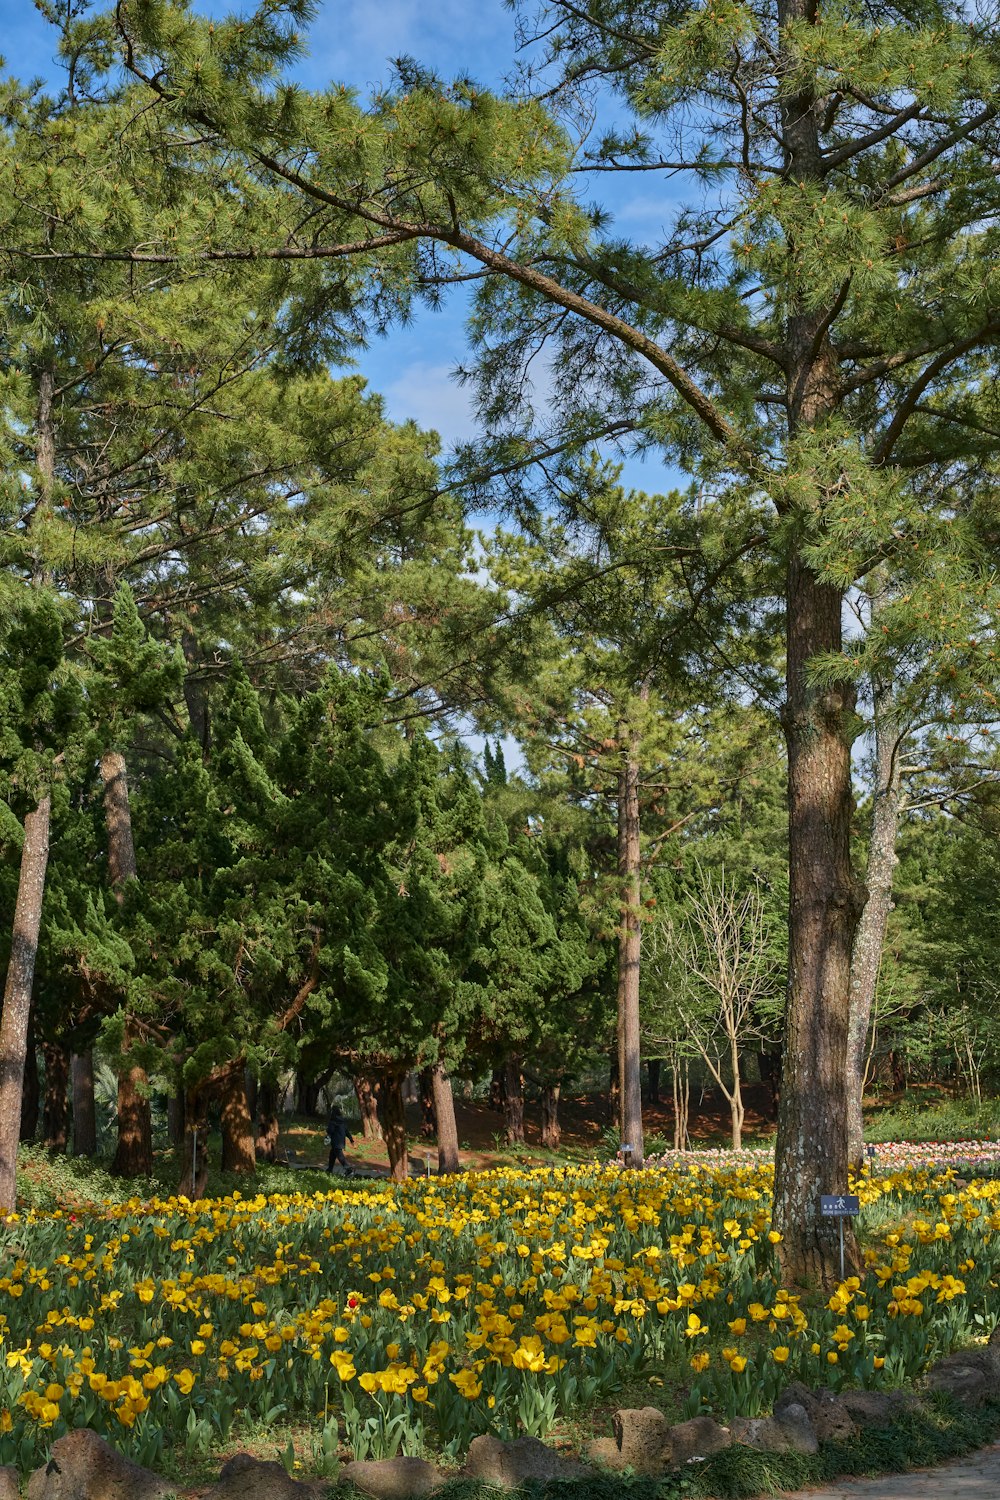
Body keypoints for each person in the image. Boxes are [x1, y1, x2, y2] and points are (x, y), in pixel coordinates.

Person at [326, 1105, 355, 1175]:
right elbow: (346, 1131)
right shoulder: (342, 1121)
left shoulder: (333, 1121)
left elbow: (331, 1130)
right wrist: (351, 1139)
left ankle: (349, 1169)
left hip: (335, 1142)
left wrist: (327, 1131)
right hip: (341, 1142)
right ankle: (329, 1169)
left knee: (340, 1157)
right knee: (332, 1156)